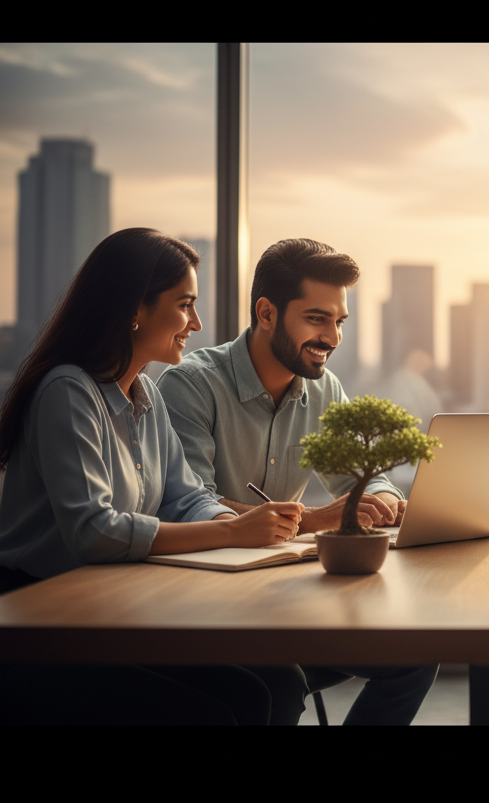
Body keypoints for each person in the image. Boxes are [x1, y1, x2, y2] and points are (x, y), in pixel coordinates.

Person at [0, 228, 306, 725]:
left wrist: (242, 526)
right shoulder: (67, 391)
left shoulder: (148, 394)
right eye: (185, 305)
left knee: (279, 683)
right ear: (134, 309)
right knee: (210, 712)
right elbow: (94, 532)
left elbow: (185, 497)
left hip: (111, 609)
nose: (196, 323)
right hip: (40, 622)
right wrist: (231, 532)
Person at [157, 238, 438, 725]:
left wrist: (381, 499)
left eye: (339, 321)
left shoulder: (323, 389)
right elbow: (188, 505)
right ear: (266, 313)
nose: (333, 337)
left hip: (284, 599)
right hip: (205, 609)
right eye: (317, 319)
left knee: (416, 653)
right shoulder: (192, 386)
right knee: (278, 684)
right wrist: (311, 519)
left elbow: (363, 475)